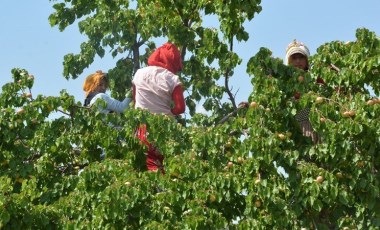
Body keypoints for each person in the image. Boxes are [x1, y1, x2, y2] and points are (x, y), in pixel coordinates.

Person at [132, 42, 186, 174]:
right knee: (167, 167)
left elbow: (135, 100)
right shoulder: (172, 79)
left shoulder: (138, 73)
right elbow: (180, 108)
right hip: (165, 129)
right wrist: (169, 112)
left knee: (145, 164)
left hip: (142, 129)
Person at [285, 40, 322, 144]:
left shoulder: (316, 79)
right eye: (294, 58)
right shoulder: (283, 81)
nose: (298, 61)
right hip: (291, 130)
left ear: (307, 60)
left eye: (301, 57)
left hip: (313, 127)